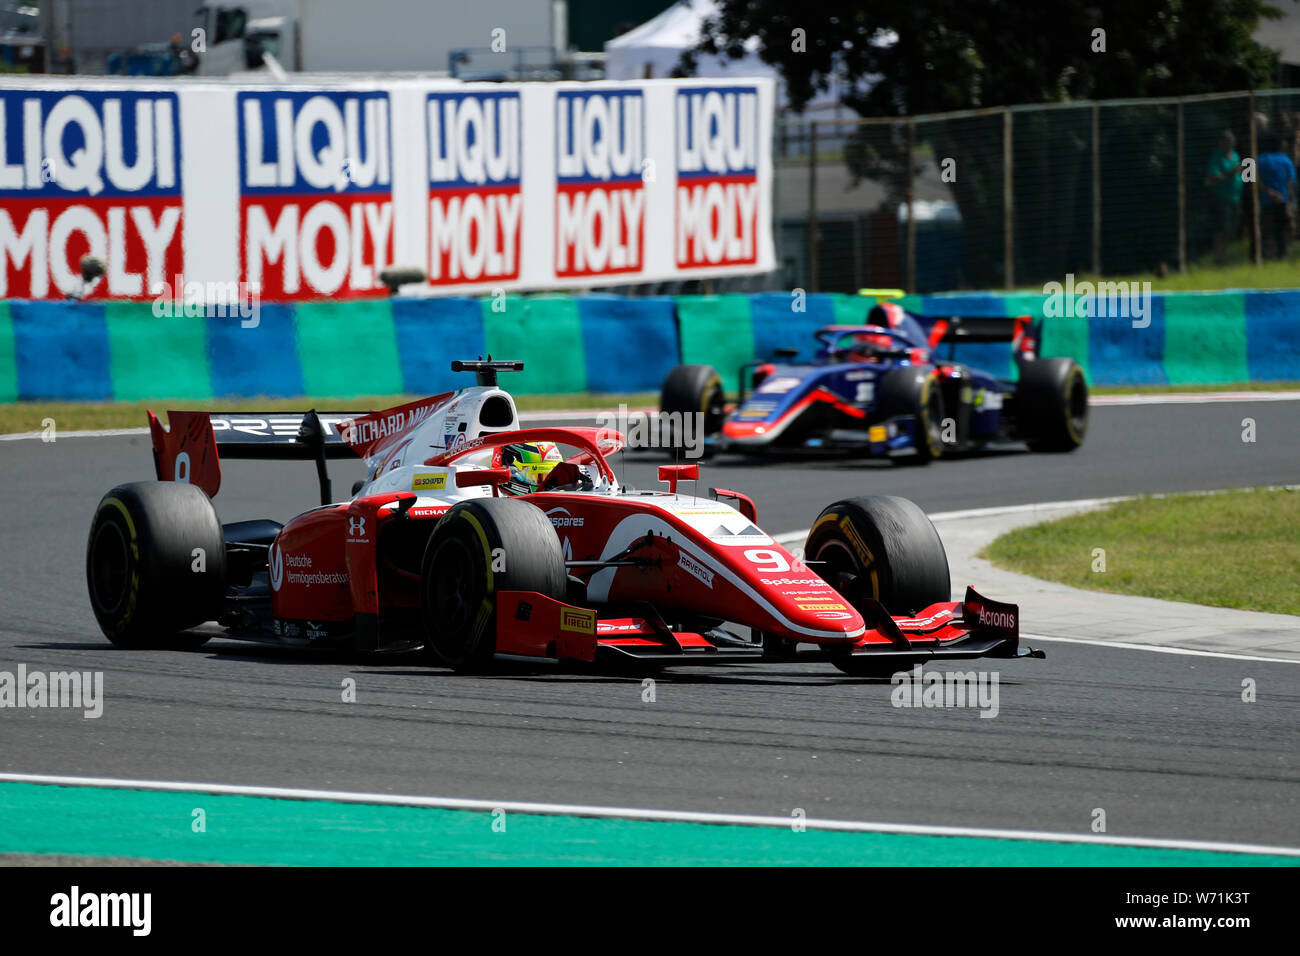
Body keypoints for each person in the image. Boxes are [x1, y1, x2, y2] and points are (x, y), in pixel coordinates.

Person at [1204, 130, 1243, 265]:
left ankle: (1223, 256)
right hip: (1222, 199)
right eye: (1228, 141)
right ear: (1222, 142)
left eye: (1232, 142)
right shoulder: (1216, 157)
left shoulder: (1235, 155)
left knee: (1231, 229)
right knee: (1221, 229)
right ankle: (1218, 258)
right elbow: (1213, 178)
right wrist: (1231, 173)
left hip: (1235, 198)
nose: (1231, 144)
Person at [1258, 131, 1297, 260]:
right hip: (1283, 200)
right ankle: (1282, 255)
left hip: (1264, 201)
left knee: (1266, 230)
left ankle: (1263, 255)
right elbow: (1290, 183)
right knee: (1281, 230)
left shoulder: (1257, 160)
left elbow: (1250, 181)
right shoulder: (1286, 160)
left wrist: (1267, 191)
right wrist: (1291, 202)